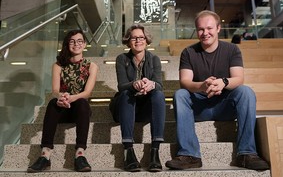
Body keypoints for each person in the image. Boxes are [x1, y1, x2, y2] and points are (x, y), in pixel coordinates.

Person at [165, 10, 269, 171]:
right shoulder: (189, 52)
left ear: (218, 28)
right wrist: (202, 85)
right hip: (199, 108)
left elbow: (238, 78)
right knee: (181, 94)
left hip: (225, 107)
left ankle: (246, 154)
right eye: (200, 29)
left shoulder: (232, 49)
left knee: (246, 92)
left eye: (209, 28)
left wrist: (223, 82)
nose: (205, 33)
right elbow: (185, 82)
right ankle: (189, 155)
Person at [27, 29, 98, 173]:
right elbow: (54, 90)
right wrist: (61, 98)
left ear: (84, 44)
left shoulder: (92, 66)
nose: (76, 44)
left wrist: (72, 97)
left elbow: (87, 93)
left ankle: (80, 155)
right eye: (72, 41)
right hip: (62, 107)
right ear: (67, 44)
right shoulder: (58, 65)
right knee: (53, 103)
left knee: (82, 103)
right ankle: (45, 155)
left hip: (80, 108)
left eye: (79, 41)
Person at [109, 24, 166, 172]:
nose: (138, 40)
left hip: (145, 108)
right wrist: (134, 84)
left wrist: (151, 84)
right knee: (126, 93)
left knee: (158, 94)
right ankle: (128, 151)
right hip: (125, 107)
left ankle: (154, 152)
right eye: (134, 38)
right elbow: (121, 86)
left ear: (146, 40)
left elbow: (159, 85)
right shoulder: (121, 58)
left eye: (141, 37)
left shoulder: (154, 59)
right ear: (128, 41)